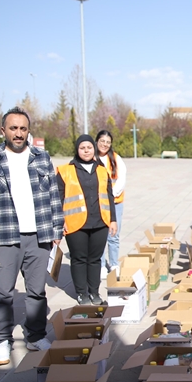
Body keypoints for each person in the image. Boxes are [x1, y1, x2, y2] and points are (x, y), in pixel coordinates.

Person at [0, 107, 63, 365]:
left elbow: (53, 195)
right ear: (3, 130)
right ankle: (2, 341)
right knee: (3, 293)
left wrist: (57, 229)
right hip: (5, 236)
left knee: (37, 292)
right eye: (13, 128)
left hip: (39, 235)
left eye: (23, 128)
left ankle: (36, 336)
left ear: (28, 131)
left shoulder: (42, 158)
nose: (18, 133)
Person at [57, 135, 118, 306]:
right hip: (75, 223)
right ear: (77, 150)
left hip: (100, 222)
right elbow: (58, 198)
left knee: (95, 259)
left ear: (94, 149)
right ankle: (81, 293)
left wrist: (113, 220)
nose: (86, 151)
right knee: (79, 258)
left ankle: (94, 292)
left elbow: (109, 196)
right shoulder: (65, 171)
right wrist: (59, 221)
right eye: (82, 148)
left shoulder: (102, 170)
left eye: (89, 147)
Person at [95, 130, 126, 273]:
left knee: (113, 234)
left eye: (108, 142)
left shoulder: (115, 158)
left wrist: (110, 195)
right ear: (97, 141)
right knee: (99, 235)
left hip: (115, 202)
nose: (105, 144)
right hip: (97, 203)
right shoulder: (92, 158)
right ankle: (101, 265)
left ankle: (114, 264)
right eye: (102, 141)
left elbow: (121, 179)